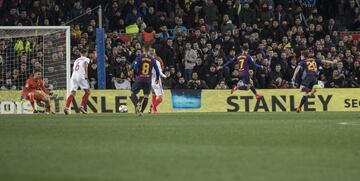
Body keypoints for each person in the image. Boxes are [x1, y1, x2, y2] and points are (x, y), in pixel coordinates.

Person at [130, 45, 160, 116]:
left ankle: (137, 103)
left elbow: (135, 68)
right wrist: (157, 79)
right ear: (149, 50)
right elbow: (157, 71)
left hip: (140, 79)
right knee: (146, 96)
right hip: (148, 80)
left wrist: (134, 75)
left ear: (143, 49)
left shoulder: (139, 57)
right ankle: (141, 112)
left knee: (132, 93)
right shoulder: (152, 59)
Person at [64, 48, 90, 115]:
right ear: (86, 53)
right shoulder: (86, 59)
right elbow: (85, 65)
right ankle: (81, 107)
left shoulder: (76, 60)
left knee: (73, 93)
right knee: (87, 92)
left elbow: (74, 69)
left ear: (80, 54)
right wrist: (86, 74)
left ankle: (66, 107)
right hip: (81, 76)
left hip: (73, 76)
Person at [149, 48, 167, 114]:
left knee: (154, 94)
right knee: (160, 98)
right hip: (156, 80)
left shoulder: (146, 61)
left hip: (149, 80)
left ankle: (154, 111)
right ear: (154, 53)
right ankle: (153, 107)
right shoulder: (156, 61)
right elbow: (159, 72)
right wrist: (165, 76)